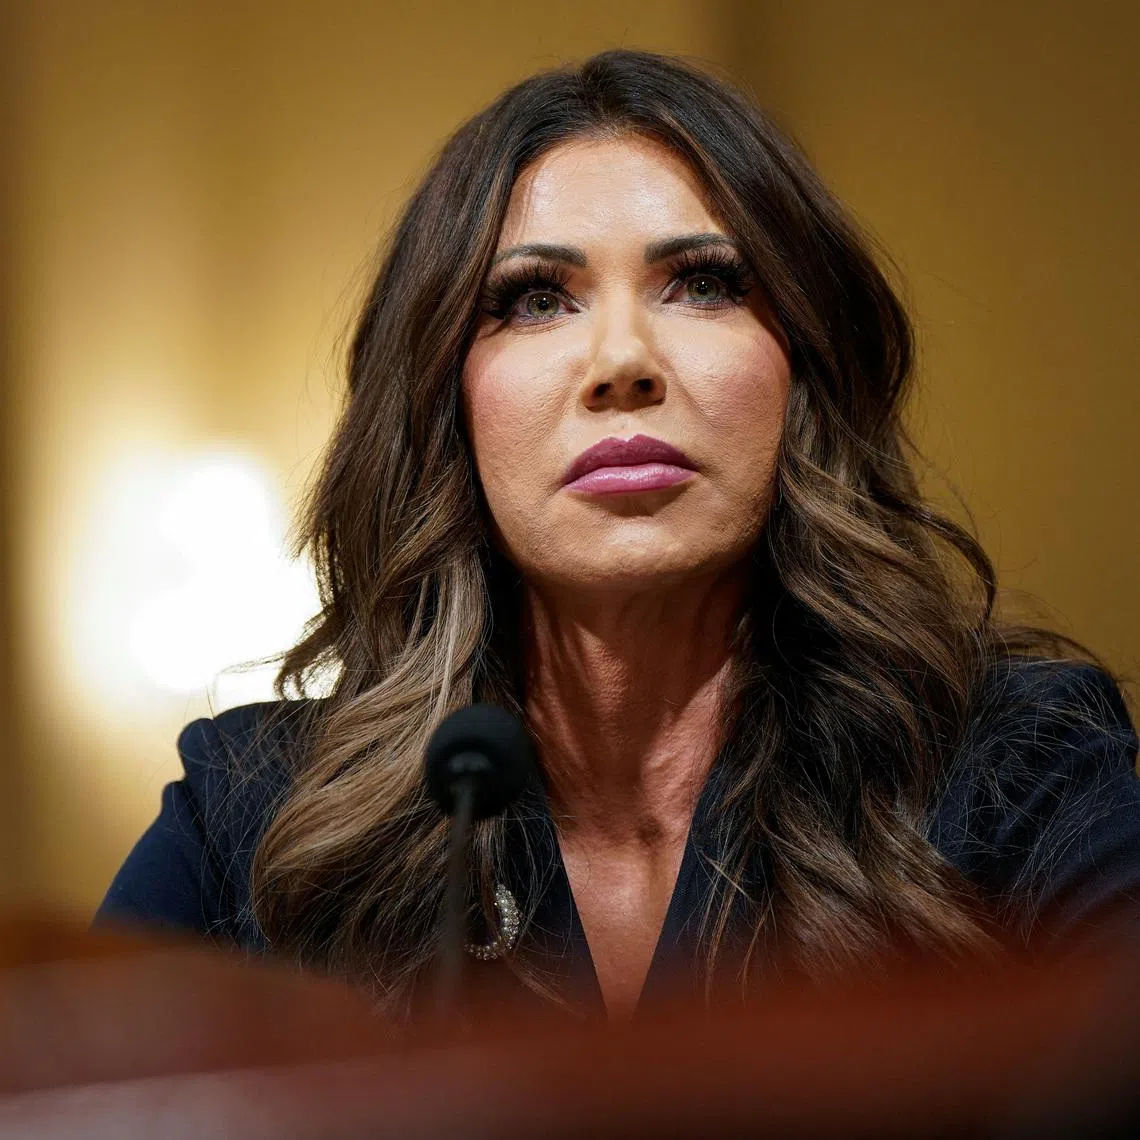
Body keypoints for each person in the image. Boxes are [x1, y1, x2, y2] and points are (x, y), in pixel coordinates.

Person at [94, 49, 1140, 1028]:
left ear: (805, 369)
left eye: (704, 283)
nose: (623, 362)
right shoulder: (253, 819)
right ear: (444, 400)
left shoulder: (1016, 771)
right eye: (534, 300)